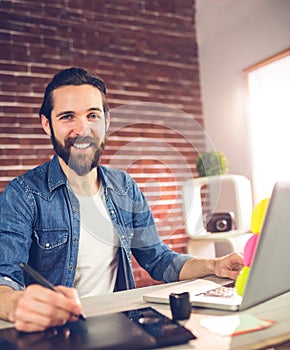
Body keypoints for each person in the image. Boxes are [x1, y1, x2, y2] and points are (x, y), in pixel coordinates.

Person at [0, 67, 243, 332]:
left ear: (106, 121)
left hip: (122, 328)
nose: (83, 129)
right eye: (67, 116)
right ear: (47, 124)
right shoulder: (22, 195)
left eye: (92, 115)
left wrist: (214, 265)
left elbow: (158, 259)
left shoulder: (125, 187)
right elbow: (4, 280)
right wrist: (17, 304)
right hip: (57, 334)